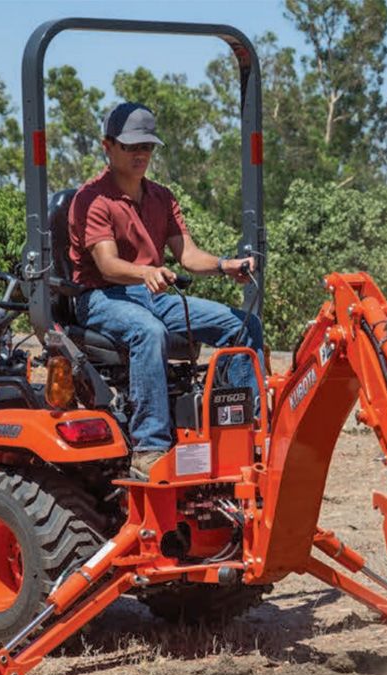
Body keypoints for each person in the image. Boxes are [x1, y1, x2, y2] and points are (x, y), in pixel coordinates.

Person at [68, 102, 262, 478]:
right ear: (108, 146)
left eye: (148, 146)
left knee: (241, 326)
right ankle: (149, 446)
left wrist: (224, 265)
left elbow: (187, 255)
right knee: (149, 332)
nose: (141, 154)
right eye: (131, 146)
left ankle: (243, 429)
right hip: (100, 298)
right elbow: (107, 265)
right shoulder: (92, 199)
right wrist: (146, 273)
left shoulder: (161, 197)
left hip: (151, 294)